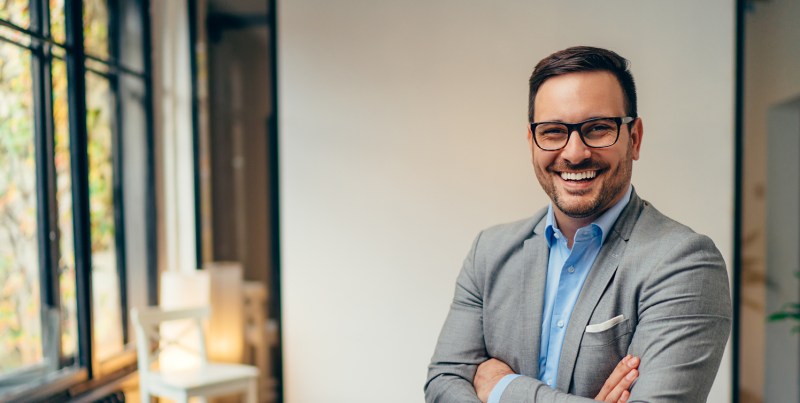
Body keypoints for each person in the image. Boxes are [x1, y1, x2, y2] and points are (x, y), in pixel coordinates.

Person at [424, 46, 732, 402]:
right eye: (554, 131)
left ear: (634, 138)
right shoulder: (489, 252)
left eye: (598, 128)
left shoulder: (685, 262)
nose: (574, 153)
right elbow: (442, 386)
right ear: (532, 142)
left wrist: (504, 388)